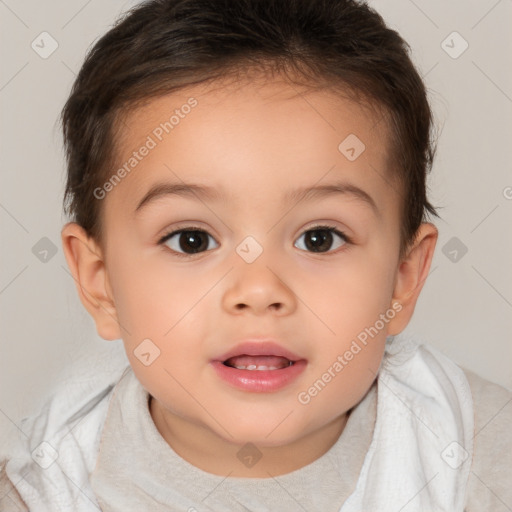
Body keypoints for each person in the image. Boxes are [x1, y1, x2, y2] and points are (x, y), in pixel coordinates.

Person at [1, 0, 511, 510]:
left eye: (320, 238)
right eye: (191, 240)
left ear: (403, 278)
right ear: (100, 282)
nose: (259, 290)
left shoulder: (481, 457)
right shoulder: (41, 488)